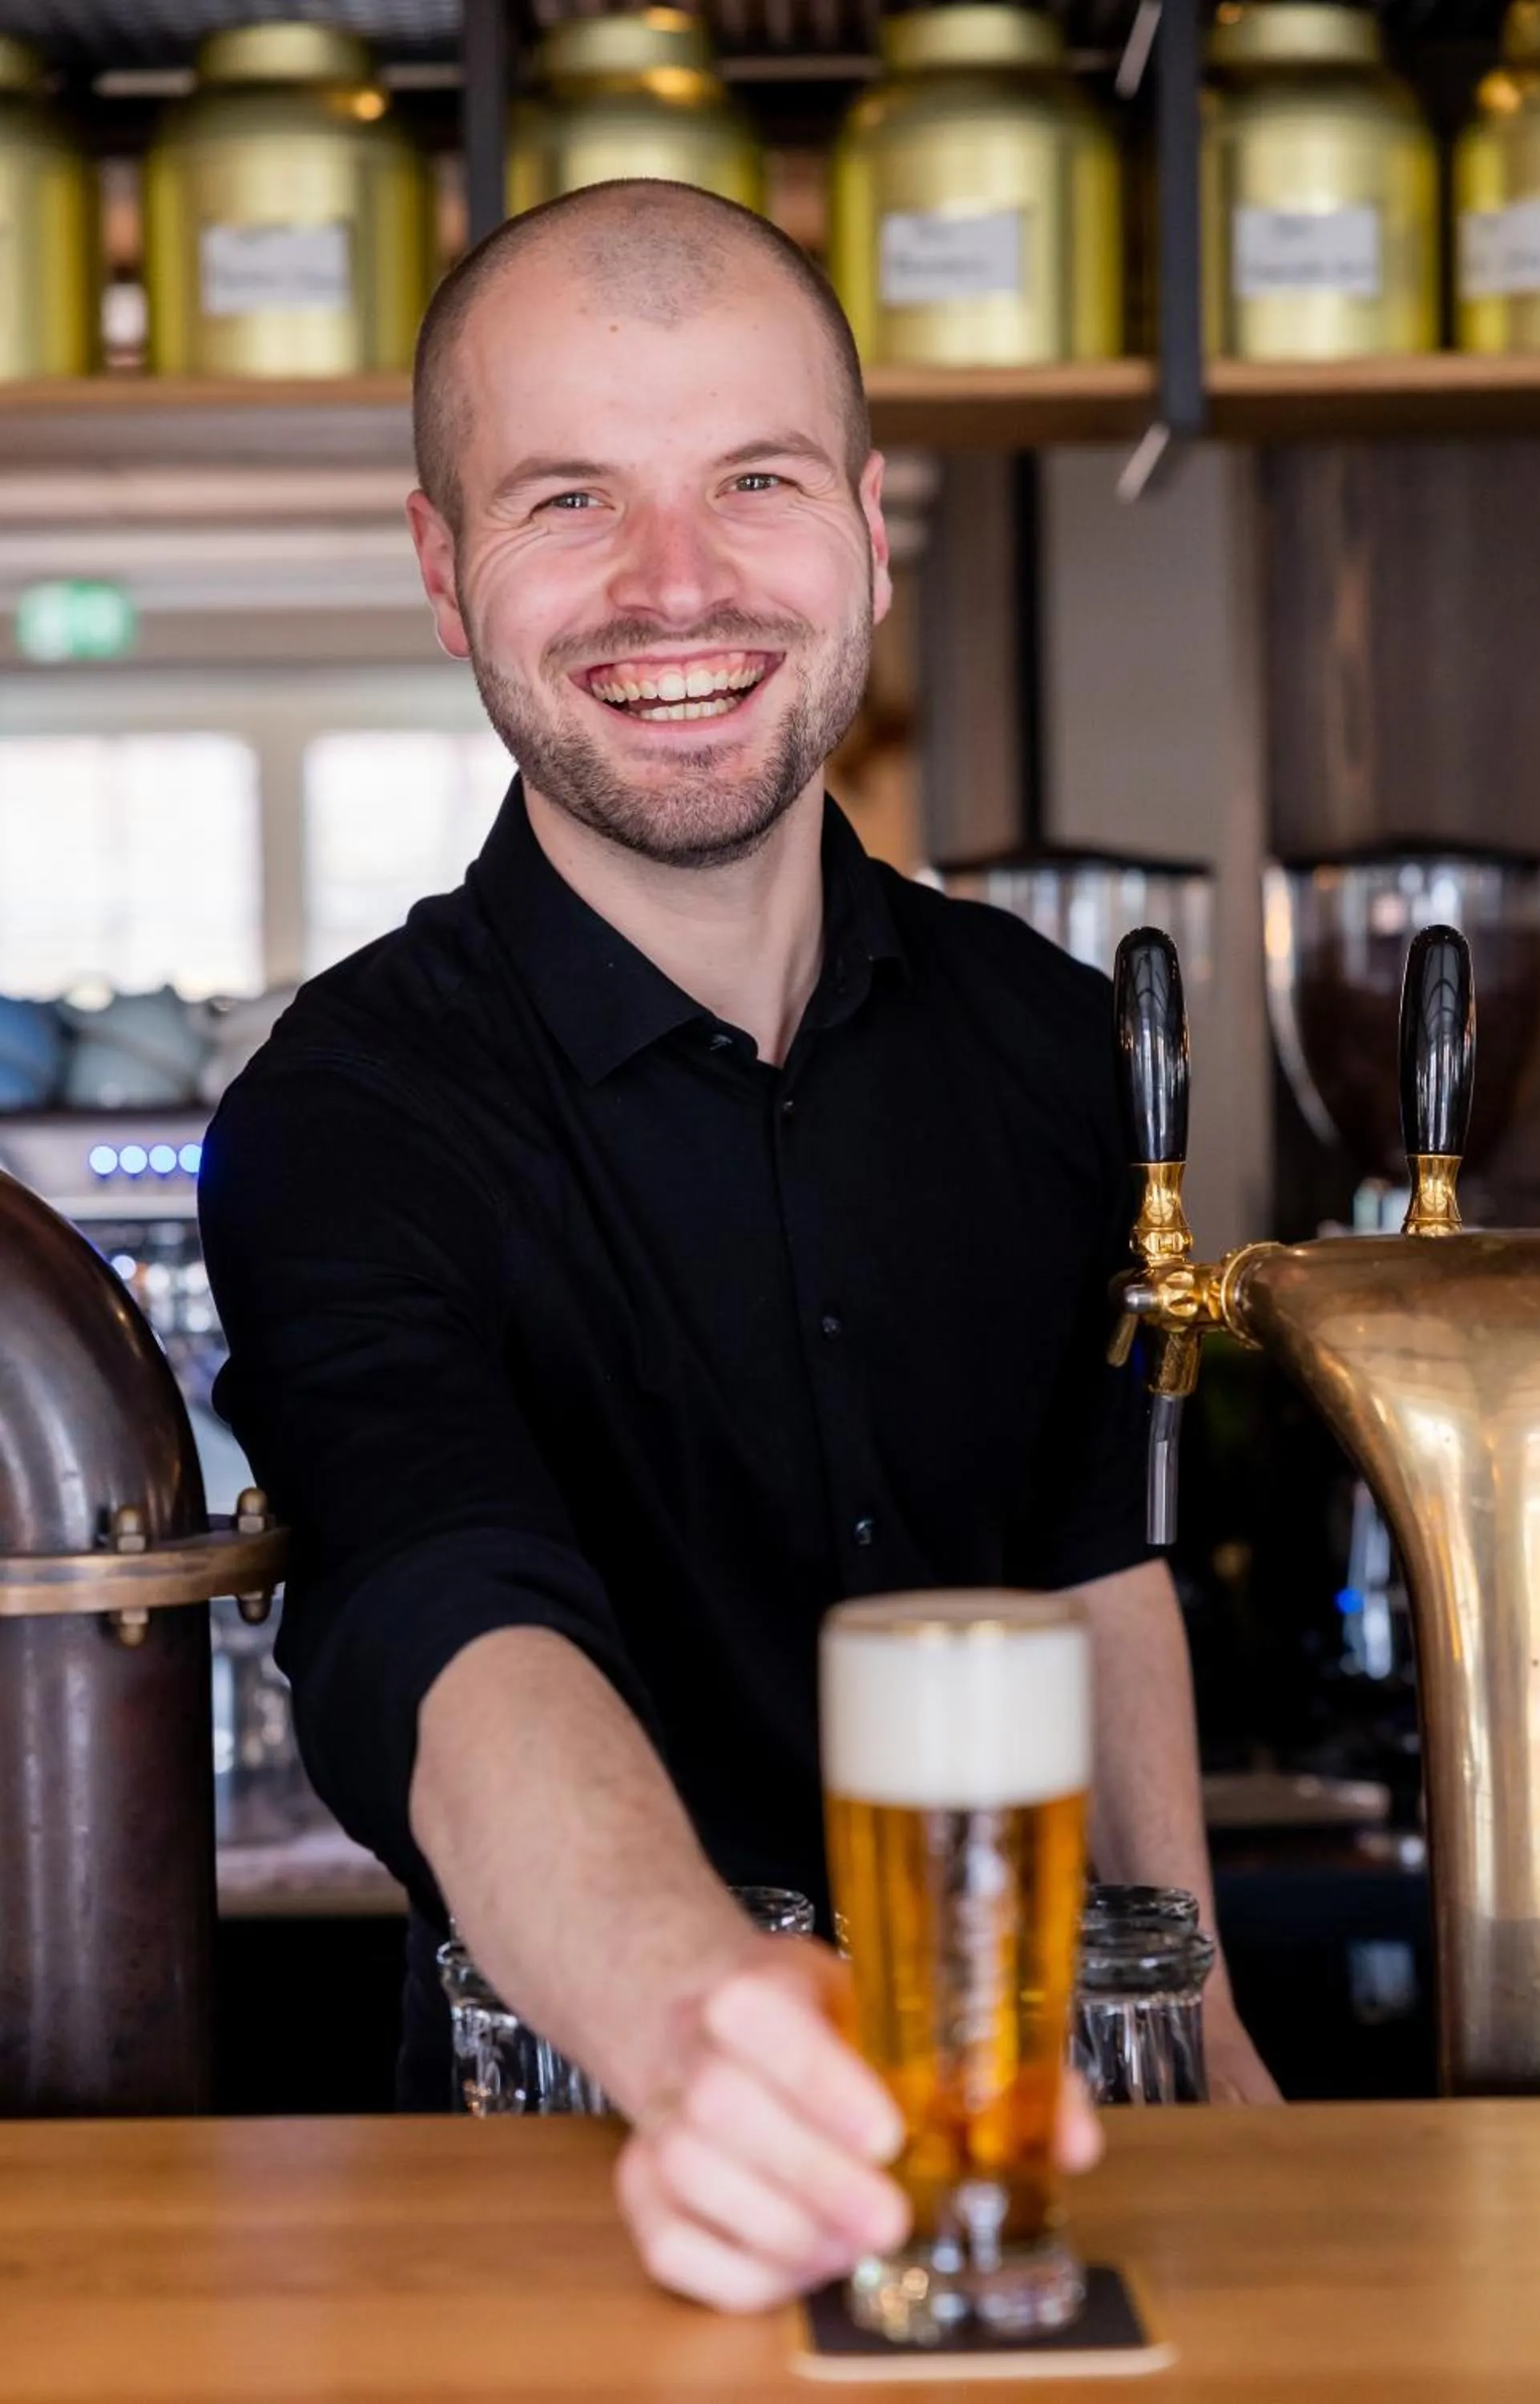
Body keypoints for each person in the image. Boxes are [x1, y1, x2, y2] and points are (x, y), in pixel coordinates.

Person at [200, 179, 1276, 2315]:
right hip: (575, 2175)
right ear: (443, 570)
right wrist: (710, 2015)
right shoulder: (347, 1114)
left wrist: (1207, 2020)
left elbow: (1094, 1566)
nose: (672, 586)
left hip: (1036, 2161)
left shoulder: (1057, 1049)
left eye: (754, 483)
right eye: (567, 501)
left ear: (870, 525)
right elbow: (437, 1607)